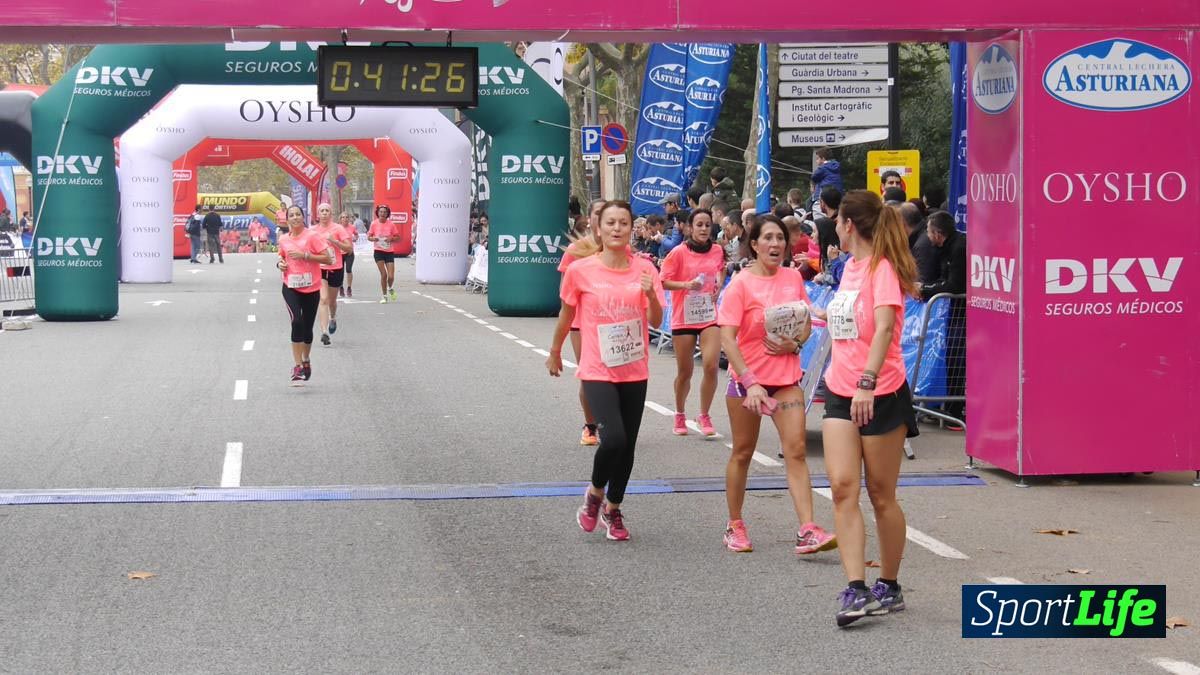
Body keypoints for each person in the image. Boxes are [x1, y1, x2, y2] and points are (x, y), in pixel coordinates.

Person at [814, 190, 920, 627]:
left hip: (880, 391)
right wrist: (811, 316)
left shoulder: (883, 270)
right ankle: (856, 588)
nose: (833, 227)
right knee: (842, 487)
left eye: (837, 220)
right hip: (840, 390)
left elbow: (884, 329)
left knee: (880, 494)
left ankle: (889, 585)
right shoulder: (849, 268)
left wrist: (867, 382)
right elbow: (849, 325)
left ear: (848, 225)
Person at [716, 214, 836, 556]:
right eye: (768, 238)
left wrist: (795, 344)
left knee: (796, 451)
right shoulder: (740, 284)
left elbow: (804, 322)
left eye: (780, 238)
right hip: (748, 383)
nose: (775, 244)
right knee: (742, 452)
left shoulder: (792, 277)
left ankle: (807, 529)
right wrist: (750, 382)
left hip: (785, 380)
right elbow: (727, 339)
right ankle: (735, 524)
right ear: (754, 244)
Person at [546, 200, 665, 542]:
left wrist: (650, 296)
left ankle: (613, 509)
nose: (616, 228)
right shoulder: (581, 271)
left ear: (631, 229)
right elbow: (567, 315)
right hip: (597, 367)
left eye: (623, 223)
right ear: (598, 228)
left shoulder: (645, 269)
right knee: (613, 439)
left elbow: (657, 321)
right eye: (610, 222)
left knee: (628, 447)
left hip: (634, 367)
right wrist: (555, 351)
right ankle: (595, 493)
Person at [658, 208, 726, 437]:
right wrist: (685, 285)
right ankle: (679, 413)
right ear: (689, 228)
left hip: (708, 315)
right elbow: (663, 281)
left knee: (711, 365)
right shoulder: (678, 253)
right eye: (699, 225)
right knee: (685, 371)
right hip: (684, 316)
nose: (704, 229)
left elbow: (721, 269)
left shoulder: (717, 250)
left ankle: (704, 415)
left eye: (707, 224)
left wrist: (718, 286)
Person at [558, 198, 605, 446]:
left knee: (613, 376)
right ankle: (590, 426)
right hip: (581, 322)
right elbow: (565, 293)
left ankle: (611, 420)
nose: (602, 217)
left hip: (612, 321)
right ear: (589, 218)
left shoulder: (620, 248)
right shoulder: (575, 249)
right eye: (597, 212)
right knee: (589, 375)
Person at [276, 206, 334, 385]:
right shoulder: (283, 239)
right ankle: (297, 366)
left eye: (298, 214)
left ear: (303, 217)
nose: (295, 217)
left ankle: (306, 359)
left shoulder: (312, 236)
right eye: (291, 215)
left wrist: (305, 255)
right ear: (287, 219)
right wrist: (280, 264)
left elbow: (328, 258)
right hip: (290, 286)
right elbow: (281, 257)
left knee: (307, 329)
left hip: (311, 287)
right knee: (297, 322)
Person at [922, 210, 967, 424]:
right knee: (950, 358)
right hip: (952, 312)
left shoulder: (959, 248)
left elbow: (955, 284)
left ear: (938, 234)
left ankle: (954, 410)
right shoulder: (943, 249)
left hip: (962, 313)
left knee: (956, 358)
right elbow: (943, 279)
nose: (927, 235)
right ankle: (945, 407)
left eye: (929, 231)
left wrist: (926, 290)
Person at [313, 203, 353, 347]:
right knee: (323, 299)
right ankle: (324, 332)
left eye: (327, 211)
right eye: (322, 211)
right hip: (320, 268)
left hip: (336, 268)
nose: (324, 213)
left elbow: (349, 248)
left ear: (331, 214)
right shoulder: (313, 231)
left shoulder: (338, 228)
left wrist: (334, 241)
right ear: (318, 214)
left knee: (331, 301)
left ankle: (333, 317)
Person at [368, 204, 398, 303]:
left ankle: (390, 288)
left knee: (391, 276)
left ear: (387, 214)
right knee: (384, 275)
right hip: (378, 251)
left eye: (385, 212)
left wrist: (391, 238)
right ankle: (384, 296)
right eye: (381, 212)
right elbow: (369, 237)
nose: (382, 213)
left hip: (389, 252)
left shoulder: (391, 224)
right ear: (378, 213)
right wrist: (373, 238)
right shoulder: (374, 224)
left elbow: (398, 237)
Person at [338, 211, 358, 297]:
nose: (345, 219)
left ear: (349, 219)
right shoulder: (337, 228)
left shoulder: (352, 227)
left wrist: (355, 238)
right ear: (340, 219)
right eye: (343, 217)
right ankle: (341, 287)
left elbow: (356, 234)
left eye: (346, 217)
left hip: (349, 252)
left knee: (348, 269)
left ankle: (349, 288)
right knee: (340, 271)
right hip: (339, 253)